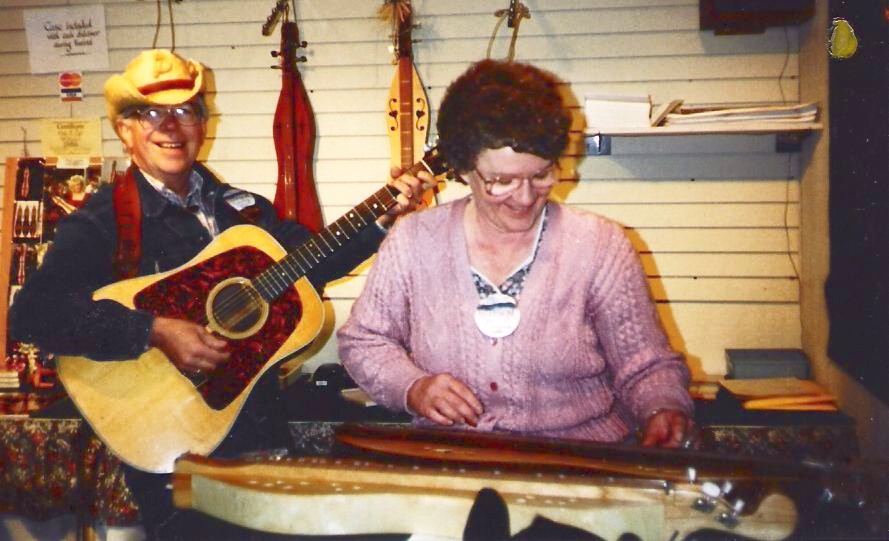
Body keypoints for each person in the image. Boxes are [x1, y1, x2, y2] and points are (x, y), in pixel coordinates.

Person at [9, 49, 430, 540]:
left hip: (256, 430)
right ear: (125, 130)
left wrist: (380, 216)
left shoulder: (245, 212)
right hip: (168, 439)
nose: (171, 124)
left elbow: (314, 261)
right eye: (151, 112)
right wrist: (152, 330)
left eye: (186, 110)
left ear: (203, 124)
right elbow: (34, 315)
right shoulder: (101, 223)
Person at [338, 59, 695, 448]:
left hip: (578, 459)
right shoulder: (413, 241)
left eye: (541, 175)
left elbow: (646, 364)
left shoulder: (600, 245)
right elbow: (364, 340)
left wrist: (662, 407)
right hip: (451, 459)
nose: (525, 198)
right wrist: (413, 387)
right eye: (502, 181)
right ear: (463, 170)